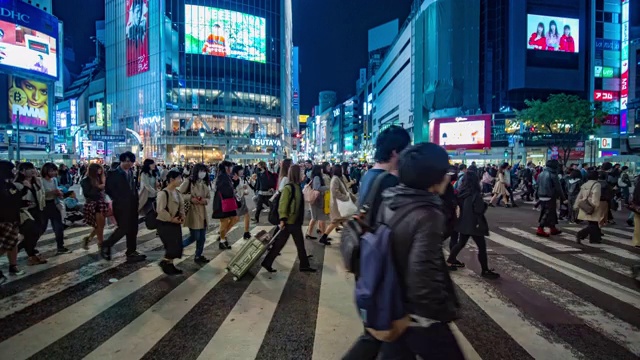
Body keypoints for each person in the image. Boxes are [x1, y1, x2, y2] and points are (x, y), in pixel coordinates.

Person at [376, 143, 463, 359]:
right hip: (419, 317)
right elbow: (423, 273)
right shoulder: (428, 214)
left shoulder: (390, 200)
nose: (448, 177)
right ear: (434, 177)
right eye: (446, 172)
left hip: (392, 301)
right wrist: (436, 312)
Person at [342, 126, 411, 360]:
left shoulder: (369, 175)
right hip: (381, 262)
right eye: (406, 151)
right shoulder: (389, 182)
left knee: (380, 329)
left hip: (366, 256)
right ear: (395, 152)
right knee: (378, 332)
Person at [261, 164, 316, 273]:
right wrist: (282, 219)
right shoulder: (289, 187)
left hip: (294, 221)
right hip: (288, 222)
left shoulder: (297, 186)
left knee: (296, 244)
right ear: (296, 174)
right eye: (301, 172)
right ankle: (267, 262)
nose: (303, 174)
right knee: (280, 244)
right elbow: (283, 204)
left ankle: (303, 265)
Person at [447, 171, 500, 279]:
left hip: (463, 223)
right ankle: (485, 270)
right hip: (475, 224)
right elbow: (479, 210)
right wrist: (485, 205)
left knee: (461, 243)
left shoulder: (462, 193)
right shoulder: (476, 194)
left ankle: (449, 261)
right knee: (481, 247)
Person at [101, 152, 146, 262]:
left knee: (133, 229)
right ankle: (107, 244)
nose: (129, 163)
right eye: (126, 161)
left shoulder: (131, 172)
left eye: (131, 161)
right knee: (124, 228)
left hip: (133, 205)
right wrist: (119, 198)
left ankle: (131, 251)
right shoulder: (113, 173)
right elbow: (108, 190)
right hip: (121, 206)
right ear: (121, 161)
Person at [0, 160, 28, 281]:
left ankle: (13, 266)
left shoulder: (10, 184)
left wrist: (23, 201)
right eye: (12, 170)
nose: (14, 172)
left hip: (13, 218)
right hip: (3, 219)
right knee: (6, 243)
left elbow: (16, 197)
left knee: (12, 243)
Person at [14, 162, 47, 265]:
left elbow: (42, 194)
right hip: (25, 212)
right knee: (33, 231)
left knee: (39, 230)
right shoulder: (18, 184)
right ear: (22, 171)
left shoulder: (37, 181)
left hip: (39, 209)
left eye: (33, 168)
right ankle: (31, 254)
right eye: (29, 169)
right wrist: (25, 188)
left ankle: (22, 248)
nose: (33, 170)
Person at [180, 163, 212, 263]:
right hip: (192, 212)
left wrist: (204, 201)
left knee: (202, 237)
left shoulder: (205, 183)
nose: (202, 173)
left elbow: (208, 197)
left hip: (202, 212)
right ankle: (177, 247)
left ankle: (198, 255)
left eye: (204, 171)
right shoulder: (189, 182)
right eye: (201, 171)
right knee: (195, 236)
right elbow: (179, 194)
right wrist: (191, 198)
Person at [156, 169, 186, 275]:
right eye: (178, 178)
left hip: (175, 223)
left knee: (177, 246)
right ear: (171, 179)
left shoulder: (177, 192)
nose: (181, 181)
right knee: (171, 246)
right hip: (165, 223)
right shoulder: (163, 193)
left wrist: (182, 216)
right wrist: (171, 219)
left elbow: (181, 206)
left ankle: (170, 265)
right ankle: (164, 262)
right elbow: (160, 210)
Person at [318, 165, 356, 244]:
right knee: (336, 221)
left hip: (338, 204)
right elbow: (335, 192)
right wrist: (345, 197)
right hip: (338, 204)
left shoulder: (338, 178)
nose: (342, 170)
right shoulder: (335, 179)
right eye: (341, 168)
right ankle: (324, 237)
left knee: (341, 221)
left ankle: (325, 237)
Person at [40, 163, 70, 254]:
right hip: (44, 206)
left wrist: (59, 193)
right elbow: (40, 195)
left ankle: (60, 246)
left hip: (54, 204)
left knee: (58, 226)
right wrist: (53, 192)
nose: (53, 172)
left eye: (54, 170)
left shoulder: (54, 180)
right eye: (51, 171)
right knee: (41, 228)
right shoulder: (40, 181)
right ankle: (28, 247)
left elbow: (56, 190)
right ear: (45, 171)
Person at [81, 163, 109, 249]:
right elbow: (87, 194)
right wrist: (98, 187)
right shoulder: (85, 181)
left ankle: (88, 239)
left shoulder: (100, 179)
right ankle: (100, 243)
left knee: (101, 225)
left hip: (101, 202)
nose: (100, 171)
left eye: (100, 169)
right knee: (99, 225)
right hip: (92, 204)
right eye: (98, 169)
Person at [535, 160, 565, 237]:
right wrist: (563, 197)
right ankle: (540, 228)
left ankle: (553, 227)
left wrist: (536, 195)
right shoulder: (553, 175)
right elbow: (558, 188)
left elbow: (536, 185)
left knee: (550, 212)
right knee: (547, 212)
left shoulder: (541, 174)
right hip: (550, 195)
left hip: (541, 195)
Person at [212, 161, 238, 250]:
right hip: (222, 202)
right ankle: (222, 240)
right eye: (230, 167)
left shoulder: (226, 176)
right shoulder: (222, 177)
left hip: (226, 201)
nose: (231, 169)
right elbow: (225, 190)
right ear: (226, 168)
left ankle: (222, 236)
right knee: (224, 221)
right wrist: (233, 191)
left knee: (234, 219)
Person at [575, 170, 603, 244]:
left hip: (585, 205)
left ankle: (594, 239)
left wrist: (576, 204)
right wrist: (595, 205)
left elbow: (579, 195)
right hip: (591, 205)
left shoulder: (585, 184)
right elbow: (596, 195)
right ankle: (581, 234)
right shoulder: (597, 184)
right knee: (593, 223)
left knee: (593, 223)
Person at [305, 164, 330, 242]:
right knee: (319, 218)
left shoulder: (316, 177)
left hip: (317, 200)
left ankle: (310, 233)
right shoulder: (316, 177)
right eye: (321, 169)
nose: (322, 170)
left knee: (315, 218)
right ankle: (323, 235)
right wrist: (327, 187)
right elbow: (317, 188)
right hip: (317, 201)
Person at [231, 165, 251, 240]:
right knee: (236, 218)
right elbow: (234, 190)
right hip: (237, 200)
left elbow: (240, 187)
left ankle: (246, 232)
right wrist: (242, 190)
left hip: (241, 199)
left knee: (246, 215)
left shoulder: (239, 178)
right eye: (240, 170)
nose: (242, 172)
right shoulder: (234, 178)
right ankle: (223, 233)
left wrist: (244, 188)